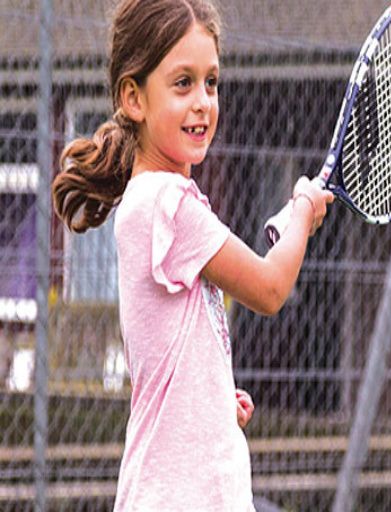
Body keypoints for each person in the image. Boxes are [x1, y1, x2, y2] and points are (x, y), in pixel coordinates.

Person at [51, 0, 334, 510]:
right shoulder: (168, 203)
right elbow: (270, 288)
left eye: (211, 82)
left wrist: (209, 401)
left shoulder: (154, 201)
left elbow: (169, 348)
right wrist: (303, 208)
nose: (203, 101)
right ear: (133, 98)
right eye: (183, 83)